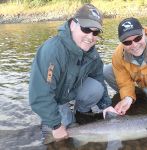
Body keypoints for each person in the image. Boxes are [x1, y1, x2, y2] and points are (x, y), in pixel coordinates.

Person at [29, 4, 112, 144]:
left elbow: (98, 77)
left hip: (71, 92)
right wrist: (55, 125)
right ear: (73, 24)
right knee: (62, 132)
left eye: (95, 32)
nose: (90, 36)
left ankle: (81, 111)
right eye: (86, 29)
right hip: (56, 99)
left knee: (97, 87)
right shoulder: (53, 51)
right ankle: (52, 120)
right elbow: (40, 95)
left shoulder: (93, 54)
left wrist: (106, 105)